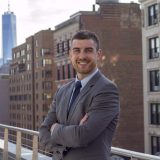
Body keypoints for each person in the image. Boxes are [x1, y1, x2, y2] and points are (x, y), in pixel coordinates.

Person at [39, 30, 120, 160]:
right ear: (70, 54)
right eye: (77, 50)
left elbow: (81, 136)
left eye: (88, 50)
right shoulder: (62, 91)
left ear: (98, 54)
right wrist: (68, 136)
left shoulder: (107, 90)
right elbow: (43, 133)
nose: (82, 56)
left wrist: (55, 128)